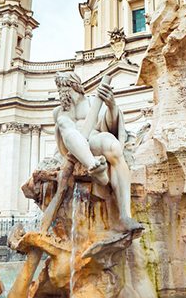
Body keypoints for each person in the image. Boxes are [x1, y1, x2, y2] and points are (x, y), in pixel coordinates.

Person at [53, 72, 135, 230]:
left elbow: (110, 125)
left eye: (67, 88)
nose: (64, 94)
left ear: (76, 87)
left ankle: (125, 214)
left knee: (115, 147)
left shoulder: (93, 101)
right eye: (61, 90)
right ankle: (94, 167)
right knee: (64, 123)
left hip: (94, 139)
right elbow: (63, 135)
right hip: (73, 148)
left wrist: (111, 106)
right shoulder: (59, 112)